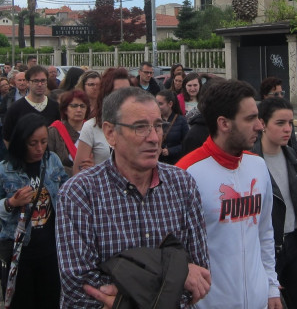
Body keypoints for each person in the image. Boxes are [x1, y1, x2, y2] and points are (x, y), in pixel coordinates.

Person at [56, 87, 211, 308]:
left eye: (158, 126)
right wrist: (174, 277)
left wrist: (125, 295)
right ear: (110, 133)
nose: (154, 138)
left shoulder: (183, 185)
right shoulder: (80, 193)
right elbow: (78, 287)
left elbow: (199, 275)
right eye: (140, 127)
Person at [177, 80, 281, 309]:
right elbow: (171, 248)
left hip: (258, 300)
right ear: (224, 123)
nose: (259, 126)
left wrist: (271, 286)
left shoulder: (258, 165)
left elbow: (264, 231)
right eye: (250, 118)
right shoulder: (186, 173)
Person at [0, 113, 69, 307]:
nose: (40, 148)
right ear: (21, 142)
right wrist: (11, 202)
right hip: (19, 255)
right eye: (33, 143)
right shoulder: (3, 170)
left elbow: (66, 188)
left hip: (51, 251)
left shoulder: (52, 160)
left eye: (44, 142)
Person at [253, 97, 297, 309]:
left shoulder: (290, 155)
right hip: (267, 247)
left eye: (290, 123)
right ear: (262, 123)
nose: (287, 129)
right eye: (280, 123)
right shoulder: (250, 160)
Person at [73, 67, 131, 174]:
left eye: (127, 92)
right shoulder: (91, 127)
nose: (123, 97)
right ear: (106, 94)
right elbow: (78, 172)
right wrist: (94, 170)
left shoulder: (139, 127)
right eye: (117, 92)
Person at [2, 66, 60, 145]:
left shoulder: (55, 107)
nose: (40, 84)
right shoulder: (15, 108)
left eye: (43, 80)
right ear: (28, 83)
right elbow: (7, 137)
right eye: (35, 81)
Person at [260, 76, 297, 178]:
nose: (287, 129)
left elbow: (293, 141)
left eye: (282, 93)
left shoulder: (286, 112)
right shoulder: (258, 116)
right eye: (276, 94)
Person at [48, 89, 89, 176]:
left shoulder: (92, 130)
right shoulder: (54, 131)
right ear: (65, 109)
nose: (79, 110)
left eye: (82, 106)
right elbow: (49, 163)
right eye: (74, 106)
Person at [156, 90, 189, 165]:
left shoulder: (181, 120)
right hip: (157, 162)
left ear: (170, 104)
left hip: (175, 163)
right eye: (156, 103)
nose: (157, 106)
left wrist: (170, 151)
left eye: (160, 104)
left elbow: (186, 144)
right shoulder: (154, 120)